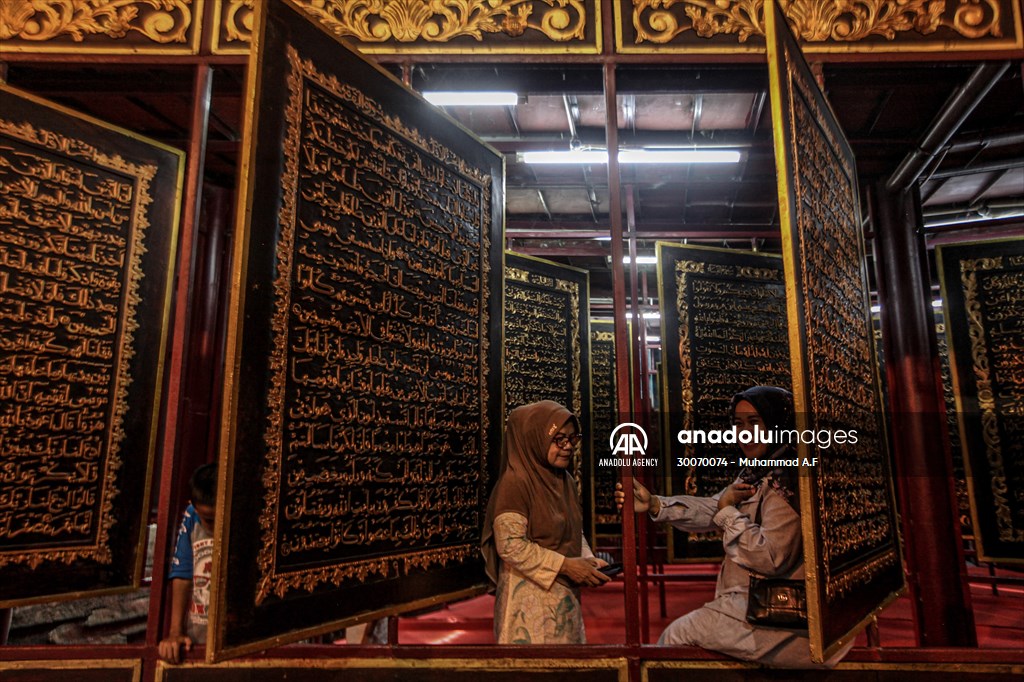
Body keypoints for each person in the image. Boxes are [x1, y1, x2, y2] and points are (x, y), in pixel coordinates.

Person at [615, 386, 851, 668]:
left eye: (755, 422)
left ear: (776, 424)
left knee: (676, 638)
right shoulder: (762, 470)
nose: (745, 432)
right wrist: (656, 504)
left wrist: (727, 510)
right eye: (738, 424)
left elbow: (770, 557)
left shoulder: (786, 481)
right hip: (760, 608)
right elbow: (714, 507)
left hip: (790, 622)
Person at [481, 400, 610, 644]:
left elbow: (573, 530)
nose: (568, 447)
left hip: (565, 599)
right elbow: (510, 545)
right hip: (528, 606)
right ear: (535, 439)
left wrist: (587, 560)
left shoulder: (566, 481)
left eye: (572, 439)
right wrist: (567, 566)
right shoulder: (516, 482)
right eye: (558, 439)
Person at [159, 462, 217, 664]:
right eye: (208, 519)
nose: (213, 526)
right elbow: (182, 574)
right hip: (198, 639)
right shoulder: (191, 516)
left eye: (219, 518)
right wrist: (175, 632)